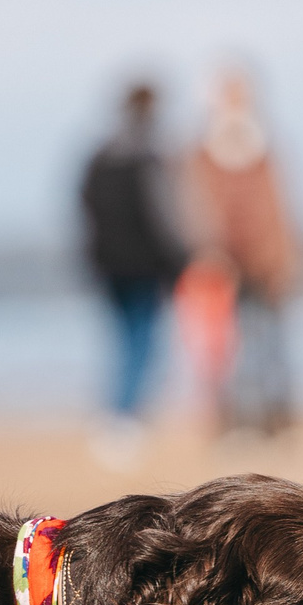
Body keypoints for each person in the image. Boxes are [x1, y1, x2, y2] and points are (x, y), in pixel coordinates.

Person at [183, 66, 303, 438]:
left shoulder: (266, 146)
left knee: (273, 345)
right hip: (224, 267)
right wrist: (208, 253)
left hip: (268, 264)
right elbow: (195, 207)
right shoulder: (203, 151)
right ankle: (237, 423)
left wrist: (287, 257)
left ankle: (277, 423)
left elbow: (281, 207)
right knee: (230, 349)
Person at [78, 80, 189, 463]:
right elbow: (165, 218)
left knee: (122, 340)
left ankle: (116, 415)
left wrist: (95, 255)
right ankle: (125, 417)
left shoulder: (100, 155)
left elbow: (86, 209)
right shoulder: (151, 158)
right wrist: (181, 260)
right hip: (145, 266)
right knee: (142, 341)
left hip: (109, 265)